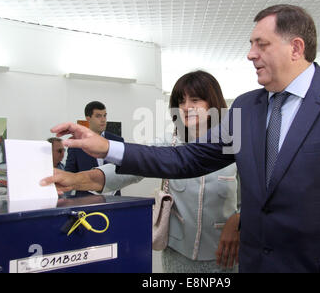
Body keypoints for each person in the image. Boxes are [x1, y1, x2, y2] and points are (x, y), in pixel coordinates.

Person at [43, 5, 320, 273]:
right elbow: (185, 159)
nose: (250, 54)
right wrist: (106, 146)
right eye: (251, 44)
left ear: (295, 48)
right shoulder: (247, 107)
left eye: (261, 44)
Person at [43, 71, 241, 273]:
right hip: (178, 252)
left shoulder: (234, 144)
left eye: (195, 100)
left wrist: (237, 221)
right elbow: (131, 167)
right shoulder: (169, 142)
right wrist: (76, 179)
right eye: (181, 101)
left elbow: (257, 194)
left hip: (224, 253)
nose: (186, 107)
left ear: (213, 104)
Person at [65, 101, 124, 196]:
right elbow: (70, 172)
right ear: (88, 118)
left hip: (113, 200)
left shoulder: (117, 141)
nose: (103, 120)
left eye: (105, 115)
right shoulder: (77, 143)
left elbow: (123, 169)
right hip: (86, 200)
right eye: (98, 116)